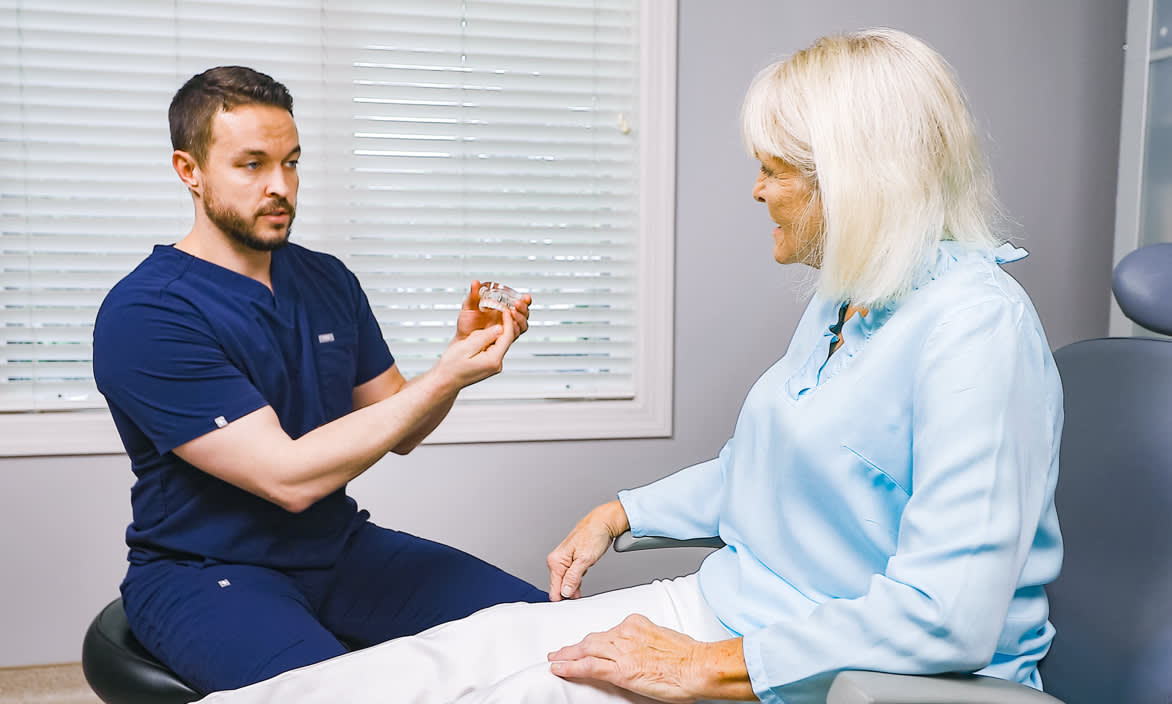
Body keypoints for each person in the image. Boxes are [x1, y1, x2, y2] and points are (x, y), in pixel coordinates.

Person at [194, 27, 1064, 704]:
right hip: (735, 613)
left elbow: (945, 617)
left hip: (835, 671)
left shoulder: (976, 331)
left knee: (514, 689)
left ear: (851, 180)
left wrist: (707, 666)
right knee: (431, 662)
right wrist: (622, 513)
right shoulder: (853, 300)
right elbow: (777, 473)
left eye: (771, 171)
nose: (756, 191)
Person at [91, 65, 550, 696]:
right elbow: (288, 477)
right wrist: (442, 377)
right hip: (206, 572)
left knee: (549, 633)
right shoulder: (147, 313)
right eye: (251, 165)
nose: (280, 186)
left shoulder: (327, 279)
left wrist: (457, 360)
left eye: (292, 162)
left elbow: (399, 424)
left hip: (337, 549)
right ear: (188, 170)